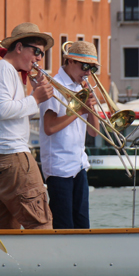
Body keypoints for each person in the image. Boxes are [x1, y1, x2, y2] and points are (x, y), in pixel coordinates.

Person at [0, 22, 54, 230]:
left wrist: (34, 95)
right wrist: (35, 99)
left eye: (42, 53)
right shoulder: (5, 69)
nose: (39, 58)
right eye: (36, 51)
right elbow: (2, 111)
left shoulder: (5, 70)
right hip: (11, 155)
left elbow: (12, 114)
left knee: (3, 227)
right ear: (19, 47)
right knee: (41, 223)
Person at [39, 41, 100, 229]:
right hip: (59, 167)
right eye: (85, 66)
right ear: (70, 61)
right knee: (64, 225)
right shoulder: (53, 86)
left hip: (79, 164)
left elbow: (93, 131)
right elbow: (49, 127)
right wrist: (79, 111)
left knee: (82, 224)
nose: (88, 73)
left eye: (92, 68)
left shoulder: (81, 87)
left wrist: (91, 108)